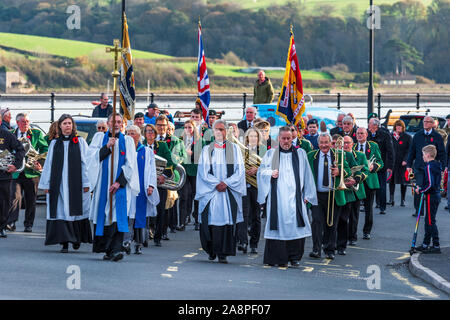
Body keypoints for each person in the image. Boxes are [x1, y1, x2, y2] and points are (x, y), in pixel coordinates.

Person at [257, 126, 317, 267]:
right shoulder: (271, 154)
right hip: (277, 198)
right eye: (283, 138)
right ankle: (277, 258)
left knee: (296, 228)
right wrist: (270, 173)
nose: (286, 141)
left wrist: (308, 194)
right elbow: (261, 172)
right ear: (278, 138)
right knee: (278, 227)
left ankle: (294, 257)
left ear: (292, 138)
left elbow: (308, 174)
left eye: (288, 138)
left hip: (296, 198)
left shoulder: (300, 154)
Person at [87, 113, 140, 261]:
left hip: (120, 187)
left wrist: (119, 182)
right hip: (103, 187)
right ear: (108, 123)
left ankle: (116, 249)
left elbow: (131, 164)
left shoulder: (128, 141)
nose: (116, 124)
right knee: (104, 217)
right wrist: (106, 147)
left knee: (118, 217)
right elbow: (91, 158)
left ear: (122, 124)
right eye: (113, 122)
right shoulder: (99, 138)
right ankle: (107, 250)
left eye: (119, 122)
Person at [38, 114, 92, 253]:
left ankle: (76, 238)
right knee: (61, 211)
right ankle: (64, 242)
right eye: (65, 123)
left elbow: (86, 163)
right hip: (59, 185)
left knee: (76, 211)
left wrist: (87, 182)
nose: (67, 126)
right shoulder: (55, 144)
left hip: (77, 184)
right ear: (60, 126)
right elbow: (49, 165)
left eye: (69, 123)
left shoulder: (80, 142)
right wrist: (46, 185)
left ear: (73, 126)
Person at [195, 120, 246, 264]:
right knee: (210, 221)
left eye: (222, 129)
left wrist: (227, 183)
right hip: (212, 191)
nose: (219, 132)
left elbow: (239, 171)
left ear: (226, 131)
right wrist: (216, 183)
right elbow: (203, 172)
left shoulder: (234, 149)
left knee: (227, 222)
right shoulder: (207, 149)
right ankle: (211, 250)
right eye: (216, 129)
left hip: (228, 191)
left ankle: (223, 253)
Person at [307, 133, 350, 260]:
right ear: (318, 143)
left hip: (333, 194)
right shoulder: (311, 156)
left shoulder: (339, 154)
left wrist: (340, 171)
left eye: (327, 142)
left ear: (331, 143)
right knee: (316, 221)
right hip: (316, 195)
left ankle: (330, 249)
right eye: (322, 142)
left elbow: (348, 171)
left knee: (332, 223)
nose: (324, 145)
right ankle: (316, 249)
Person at [7, 113, 48, 233]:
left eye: (27, 122)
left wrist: (39, 160)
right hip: (16, 172)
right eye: (23, 122)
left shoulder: (36, 133)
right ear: (18, 122)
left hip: (31, 172)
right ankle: (12, 221)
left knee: (31, 200)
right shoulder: (11, 134)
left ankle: (28, 224)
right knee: (15, 196)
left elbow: (45, 148)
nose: (26, 124)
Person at [124, 125, 159, 254]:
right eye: (127, 133)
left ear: (139, 136)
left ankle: (139, 242)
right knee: (128, 215)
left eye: (133, 133)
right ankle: (126, 241)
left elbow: (152, 170)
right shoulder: (124, 150)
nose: (130, 136)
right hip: (127, 188)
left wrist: (151, 185)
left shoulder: (146, 151)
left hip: (141, 189)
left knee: (139, 215)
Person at [407, 116, 446, 217]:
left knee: (430, 188)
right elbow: (412, 151)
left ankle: (430, 209)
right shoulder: (417, 135)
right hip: (419, 167)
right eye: (424, 122)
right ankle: (418, 210)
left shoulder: (437, 136)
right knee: (418, 187)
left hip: (432, 168)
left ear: (433, 124)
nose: (425, 123)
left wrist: (444, 166)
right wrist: (408, 165)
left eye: (428, 122)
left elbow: (442, 153)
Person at [142, 123, 174, 246]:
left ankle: (158, 236)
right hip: (144, 182)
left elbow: (170, 163)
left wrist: (163, 176)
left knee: (160, 210)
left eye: (152, 131)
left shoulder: (162, 145)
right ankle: (144, 235)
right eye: (147, 131)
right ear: (144, 134)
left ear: (155, 134)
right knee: (144, 209)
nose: (150, 133)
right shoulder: (141, 145)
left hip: (159, 183)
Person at [237, 128, 267, 255]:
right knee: (244, 213)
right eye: (250, 136)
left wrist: (257, 169)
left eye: (255, 136)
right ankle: (243, 241)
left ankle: (254, 243)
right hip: (244, 184)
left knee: (256, 215)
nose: (253, 138)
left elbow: (268, 166)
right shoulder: (241, 150)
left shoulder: (263, 150)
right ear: (247, 138)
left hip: (257, 186)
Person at [339, 135, 369, 252]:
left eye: (348, 143)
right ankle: (342, 237)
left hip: (355, 189)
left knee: (354, 215)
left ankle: (352, 236)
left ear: (352, 144)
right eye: (344, 143)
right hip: (342, 190)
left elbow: (365, 170)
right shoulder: (339, 154)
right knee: (343, 216)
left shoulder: (360, 155)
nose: (345, 145)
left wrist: (356, 180)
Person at [355, 127, 383, 240]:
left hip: (369, 181)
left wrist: (374, 167)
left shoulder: (373, 146)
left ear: (366, 135)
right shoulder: (353, 147)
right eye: (358, 133)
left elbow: (380, 162)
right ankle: (353, 233)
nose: (360, 135)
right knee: (355, 208)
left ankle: (367, 231)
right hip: (356, 181)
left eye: (362, 133)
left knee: (368, 208)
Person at [0, 112, 25, 238]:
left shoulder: (7, 135)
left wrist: (15, 165)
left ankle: (2, 227)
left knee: (4, 201)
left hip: (4, 175)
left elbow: (20, 149)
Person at [414, 145, 442, 254]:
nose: (422, 157)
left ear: (428, 155)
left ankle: (436, 245)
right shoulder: (435, 165)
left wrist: (421, 191)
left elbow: (430, 184)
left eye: (423, 154)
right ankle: (426, 244)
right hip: (433, 195)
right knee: (428, 221)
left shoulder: (429, 166)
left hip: (432, 196)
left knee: (431, 221)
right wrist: (422, 188)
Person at [179, 120, 205, 231]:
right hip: (184, 170)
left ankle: (197, 220)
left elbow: (201, 156)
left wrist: (192, 154)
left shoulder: (200, 141)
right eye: (186, 127)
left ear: (194, 128)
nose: (188, 129)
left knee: (196, 195)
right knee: (184, 196)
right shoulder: (180, 140)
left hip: (195, 170)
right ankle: (182, 220)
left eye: (190, 127)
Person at [367, 117, 394, 215]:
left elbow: (390, 151)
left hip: (381, 164)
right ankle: (368, 205)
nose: (368, 125)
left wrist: (390, 166)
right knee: (368, 186)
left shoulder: (385, 135)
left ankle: (382, 207)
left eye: (370, 123)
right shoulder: (367, 134)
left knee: (382, 187)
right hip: (369, 165)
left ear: (375, 125)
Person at [389, 120, 412, 207]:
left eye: (400, 126)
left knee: (403, 181)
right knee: (392, 181)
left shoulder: (407, 137)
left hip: (402, 163)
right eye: (397, 126)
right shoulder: (390, 136)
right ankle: (391, 199)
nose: (398, 128)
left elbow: (409, 150)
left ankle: (403, 199)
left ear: (403, 128)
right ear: (395, 127)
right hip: (393, 162)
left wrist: (406, 160)